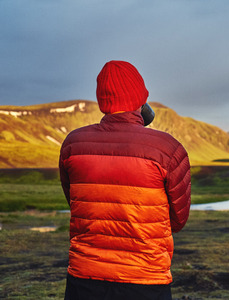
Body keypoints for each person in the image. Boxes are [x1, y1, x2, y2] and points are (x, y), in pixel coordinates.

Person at [59, 60, 191, 300]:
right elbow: (177, 220)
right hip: (145, 278)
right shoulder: (168, 148)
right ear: (140, 98)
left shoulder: (73, 144)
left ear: (103, 99)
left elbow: (76, 205)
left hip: (85, 277)